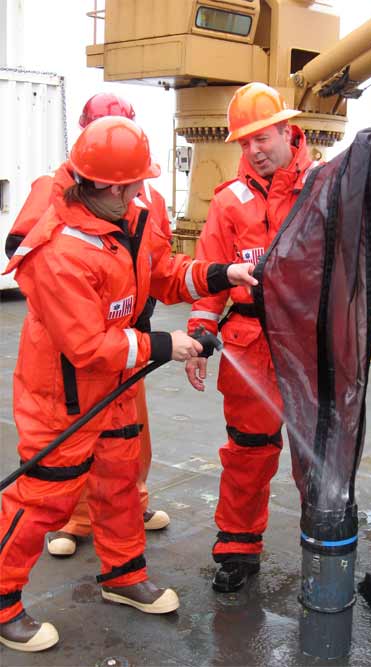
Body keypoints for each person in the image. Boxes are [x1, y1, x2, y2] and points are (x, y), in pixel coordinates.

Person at [0, 116, 257, 652]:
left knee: (119, 479)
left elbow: (160, 272)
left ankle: (123, 574)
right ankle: (2, 599)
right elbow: (87, 346)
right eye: (136, 183)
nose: (144, 191)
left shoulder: (128, 218)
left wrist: (219, 274)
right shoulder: (58, 252)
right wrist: (165, 345)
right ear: (111, 187)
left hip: (114, 385)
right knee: (45, 498)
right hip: (63, 395)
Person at [185, 81, 371, 593]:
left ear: (288, 131)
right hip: (248, 344)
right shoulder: (227, 201)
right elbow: (210, 271)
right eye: (244, 142)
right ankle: (237, 549)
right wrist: (199, 329)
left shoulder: (325, 183)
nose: (253, 150)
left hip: (309, 345)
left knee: (319, 450)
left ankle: (322, 539)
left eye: (262, 137)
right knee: (248, 451)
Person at [5, 92, 173, 558]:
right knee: (52, 481)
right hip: (77, 365)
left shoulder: (140, 199)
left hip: (126, 348)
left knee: (122, 460)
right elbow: (30, 256)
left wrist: (213, 276)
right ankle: (72, 523)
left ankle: (124, 570)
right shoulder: (59, 218)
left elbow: (157, 262)